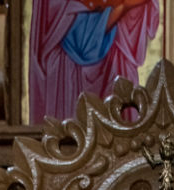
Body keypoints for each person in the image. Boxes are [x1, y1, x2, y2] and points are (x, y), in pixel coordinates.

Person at [26, 0, 158, 126]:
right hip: (70, 71)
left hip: (114, 62)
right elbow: (79, 39)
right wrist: (120, 8)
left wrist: (122, 8)